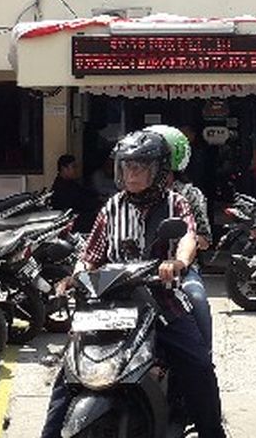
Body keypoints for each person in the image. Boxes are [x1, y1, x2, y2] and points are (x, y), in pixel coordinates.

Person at [40, 130, 227, 438]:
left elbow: (188, 238)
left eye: (140, 167)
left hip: (161, 302)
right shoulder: (111, 208)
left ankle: (212, 431)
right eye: (126, 166)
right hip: (111, 304)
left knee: (198, 366)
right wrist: (74, 277)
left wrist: (177, 263)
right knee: (70, 372)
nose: (132, 174)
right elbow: (92, 254)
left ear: (159, 170)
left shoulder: (176, 204)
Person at [146, 124, 214, 350]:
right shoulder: (123, 199)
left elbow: (203, 238)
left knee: (196, 297)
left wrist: (182, 257)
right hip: (134, 272)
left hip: (180, 273)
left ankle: (204, 357)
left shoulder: (188, 195)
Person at [48, 153, 100, 232]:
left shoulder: (71, 183)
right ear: (64, 168)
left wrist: (99, 198)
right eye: (73, 167)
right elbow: (78, 202)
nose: (76, 170)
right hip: (72, 223)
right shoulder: (61, 187)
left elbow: (85, 192)